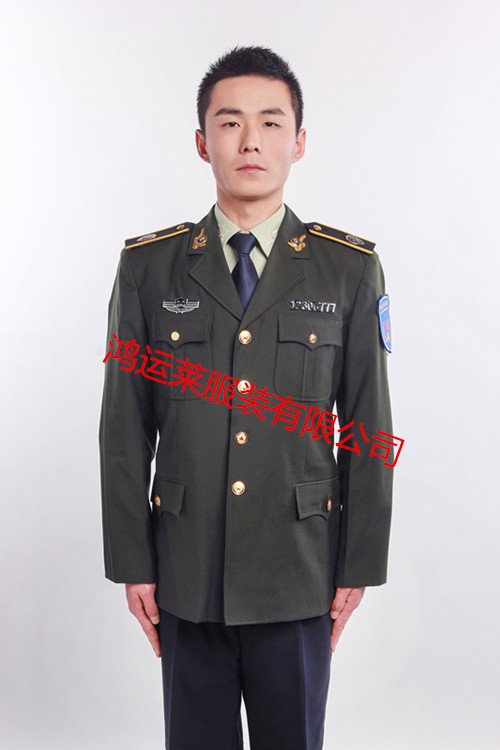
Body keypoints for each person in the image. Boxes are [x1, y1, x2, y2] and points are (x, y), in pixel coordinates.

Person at [100, 46, 393, 750]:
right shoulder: (149, 267)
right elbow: (124, 428)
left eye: (270, 122)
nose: (251, 141)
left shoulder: (347, 268)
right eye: (230, 123)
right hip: (187, 568)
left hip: (299, 568)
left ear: (299, 141)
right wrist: (134, 562)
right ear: (203, 143)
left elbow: (368, 426)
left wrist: (358, 564)